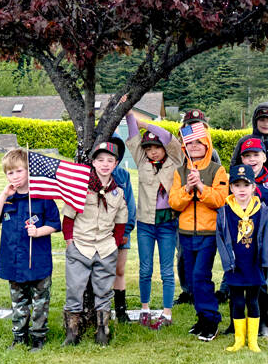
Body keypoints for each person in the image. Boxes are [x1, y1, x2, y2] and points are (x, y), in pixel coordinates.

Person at [0, 148, 60, 352]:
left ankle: (38, 337)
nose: (15, 176)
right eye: (10, 173)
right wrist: (3, 194)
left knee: (39, 301)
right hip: (14, 261)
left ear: (29, 171)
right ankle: (19, 336)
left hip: (38, 261)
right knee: (18, 302)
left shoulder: (43, 197)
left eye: (20, 171)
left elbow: (54, 224)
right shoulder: (7, 200)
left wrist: (38, 232)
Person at [61, 142, 129, 346]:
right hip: (81, 245)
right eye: (100, 160)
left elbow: (121, 220)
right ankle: (72, 331)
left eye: (109, 160)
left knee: (104, 290)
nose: (105, 164)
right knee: (75, 288)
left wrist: (115, 243)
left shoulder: (118, 192)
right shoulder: (81, 188)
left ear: (116, 163)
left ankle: (103, 330)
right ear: (93, 163)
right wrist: (69, 241)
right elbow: (69, 217)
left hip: (106, 247)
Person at [169, 117, 228, 342]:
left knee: (201, 276)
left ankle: (211, 319)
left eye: (199, 143)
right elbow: (175, 202)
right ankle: (202, 317)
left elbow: (220, 199)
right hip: (185, 233)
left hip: (208, 233)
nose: (194, 147)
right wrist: (188, 188)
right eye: (190, 143)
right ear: (185, 147)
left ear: (207, 145)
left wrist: (201, 187)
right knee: (192, 280)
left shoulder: (217, 170)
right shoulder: (180, 171)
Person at [222, 137, 268, 338]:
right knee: (234, 280)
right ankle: (235, 323)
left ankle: (262, 323)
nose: (251, 159)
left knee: (261, 282)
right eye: (247, 155)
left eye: (256, 155)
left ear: (264, 157)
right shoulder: (236, 181)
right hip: (238, 244)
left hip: (261, 244)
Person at [125, 109, 183, 328]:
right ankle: (145, 309)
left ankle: (167, 313)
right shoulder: (141, 162)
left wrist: (144, 124)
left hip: (168, 223)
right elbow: (132, 136)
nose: (153, 152)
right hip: (146, 224)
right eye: (148, 148)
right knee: (145, 268)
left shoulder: (175, 160)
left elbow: (169, 138)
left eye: (156, 148)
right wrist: (130, 113)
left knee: (167, 269)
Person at [216, 164, 268, 353]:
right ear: (231, 188)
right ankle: (238, 340)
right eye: (237, 185)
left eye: (246, 185)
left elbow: (266, 238)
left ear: (253, 187)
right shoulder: (225, 212)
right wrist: (226, 262)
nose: (242, 189)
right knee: (238, 302)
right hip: (235, 266)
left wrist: (264, 262)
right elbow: (220, 239)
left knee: (253, 302)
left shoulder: (261, 210)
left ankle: (253, 341)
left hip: (253, 265)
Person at [174, 109, 221, 306]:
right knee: (183, 256)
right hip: (184, 219)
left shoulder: (213, 159)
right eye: (189, 126)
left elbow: (218, 193)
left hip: (206, 224)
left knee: (202, 268)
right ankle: (188, 290)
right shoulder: (179, 153)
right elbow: (175, 198)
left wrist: (200, 187)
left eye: (198, 126)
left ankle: (202, 296)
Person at [106, 134, 136, 324]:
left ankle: (121, 310)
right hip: (100, 231)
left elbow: (131, 205)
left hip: (121, 229)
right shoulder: (92, 175)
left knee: (119, 270)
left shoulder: (123, 176)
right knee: (100, 271)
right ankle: (102, 309)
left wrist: (126, 231)